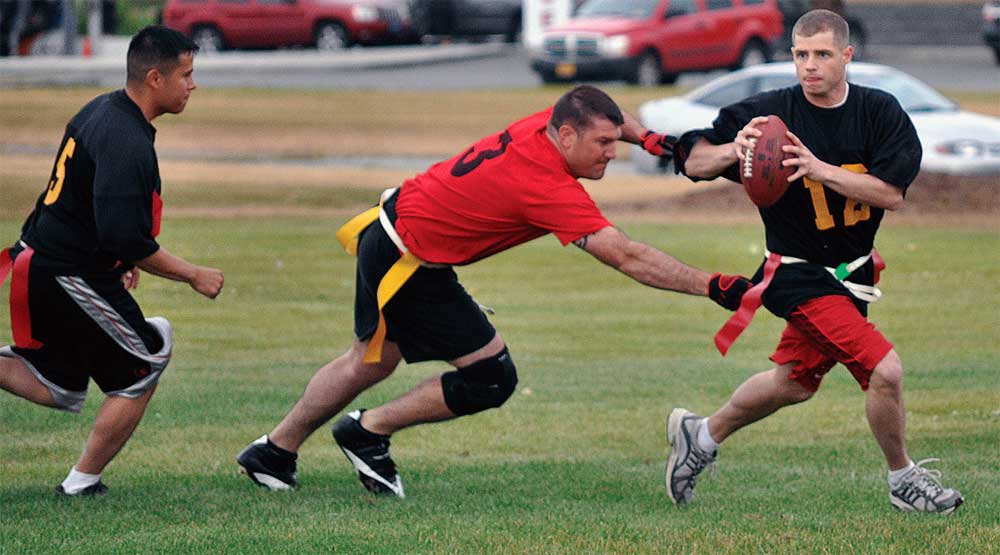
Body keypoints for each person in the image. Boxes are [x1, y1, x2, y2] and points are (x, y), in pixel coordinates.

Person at [237, 85, 750, 497]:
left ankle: (274, 452)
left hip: (396, 236)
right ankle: (366, 431)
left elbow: (597, 103)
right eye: (602, 145)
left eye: (615, 142)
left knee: (367, 363)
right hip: (407, 260)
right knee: (490, 378)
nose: (613, 153)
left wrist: (654, 140)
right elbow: (627, 255)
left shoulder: (549, 124)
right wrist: (711, 285)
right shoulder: (546, 186)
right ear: (566, 135)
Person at [665, 10, 962, 513]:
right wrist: (732, 150)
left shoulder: (878, 111)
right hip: (794, 271)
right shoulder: (770, 114)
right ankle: (904, 480)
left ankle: (702, 434)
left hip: (853, 271)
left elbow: (890, 194)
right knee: (885, 370)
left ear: (847, 55)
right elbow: (692, 159)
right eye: (801, 55)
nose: (810, 65)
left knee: (794, 384)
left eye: (822, 54)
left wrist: (818, 169)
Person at [0, 25, 224, 496]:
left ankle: (82, 480)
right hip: (66, 273)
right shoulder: (125, 138)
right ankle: (82, 482)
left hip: (47, 262)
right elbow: (123, 235)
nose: (193, 85)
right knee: (147, 358)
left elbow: (77, 202)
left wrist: (119, 262)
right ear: (155, 78)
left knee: (60, 386)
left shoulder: (103, 109)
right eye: (186, 75)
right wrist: (193, 275)